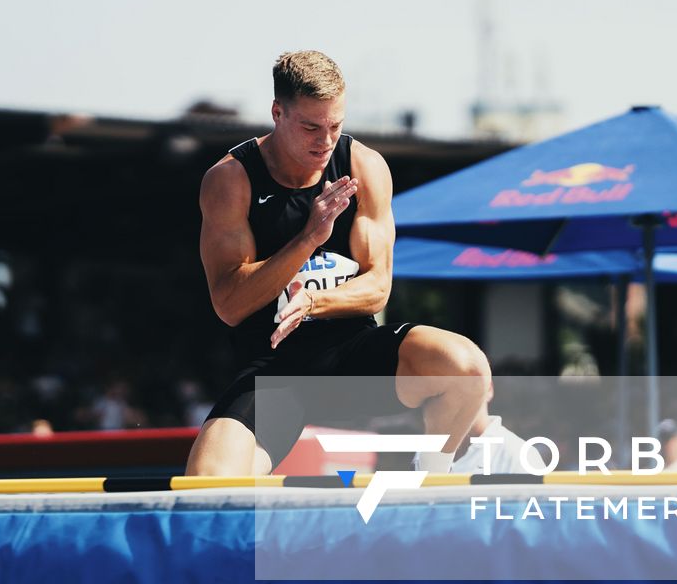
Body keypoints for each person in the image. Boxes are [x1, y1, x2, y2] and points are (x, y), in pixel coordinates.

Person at [186, 51, 503, 478]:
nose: (325, 141)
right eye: (311, 127)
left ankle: (430, 480)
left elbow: (378, 286)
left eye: (335, 126)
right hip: (275, 371)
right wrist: (307, 239)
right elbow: (229, 304)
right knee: (206, 482)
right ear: (277, 113)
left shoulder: (363, 166)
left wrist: (313, 301)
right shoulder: (231, 179)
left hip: (353, 360)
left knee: (467, 368)